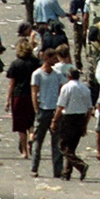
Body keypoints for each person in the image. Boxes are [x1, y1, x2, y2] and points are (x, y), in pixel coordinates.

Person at [50, 68, 93, 181]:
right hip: (81, 118)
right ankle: (66, 172)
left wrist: (54, 120)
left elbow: (60, 105)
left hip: (69, 118)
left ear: (68, 76)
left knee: (63, 146)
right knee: (71, 147)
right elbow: (89, 109)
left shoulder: (67, 87)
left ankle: (80, 165)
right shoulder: (85, 88)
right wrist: (85, 124)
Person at [31, 49, 65, 178]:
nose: (56, 61)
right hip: (43, 110)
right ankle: (34, 167)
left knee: (57, 142)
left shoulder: (57, 74)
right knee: (37, 141)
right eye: (53, 58)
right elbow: (34, 92)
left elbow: (62, 88)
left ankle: (58, 170)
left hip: (54, 110)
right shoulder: (37, 74)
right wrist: (36, 109)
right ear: (47, 58)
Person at [5, 38, 40, 158]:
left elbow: (11, 83)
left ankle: (24, 151)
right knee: (31, 122)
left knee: (21, 126)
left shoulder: (15, 64)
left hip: (18, 96)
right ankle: (32, 138)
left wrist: (7, 100)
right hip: (32, 95)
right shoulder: (36, 62)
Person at [68, 0, 89, 70]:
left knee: (88, 47)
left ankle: (90, 65)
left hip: (87, 26)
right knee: (77, 49)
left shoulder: (88, 0)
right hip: (78, 26)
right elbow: (71, 15)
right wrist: (74, 17)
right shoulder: (74, 1)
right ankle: (78, 66)